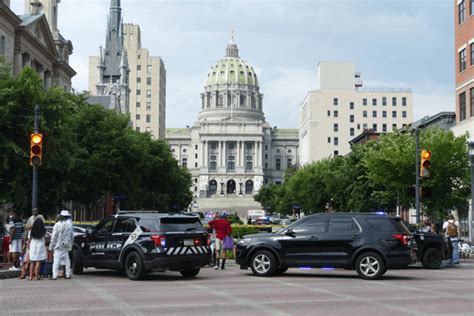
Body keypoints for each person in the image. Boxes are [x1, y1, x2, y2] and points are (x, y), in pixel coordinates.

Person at [49, 210, 74, 280]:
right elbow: (72, 236)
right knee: (67, 260)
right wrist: (70, 245)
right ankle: (68, 274)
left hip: (58, 246)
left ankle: (54, 275)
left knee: (56, 261)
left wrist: (51, 246)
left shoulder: (57, 225)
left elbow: (54, 236)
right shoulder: (70, 225)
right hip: (66, 246)